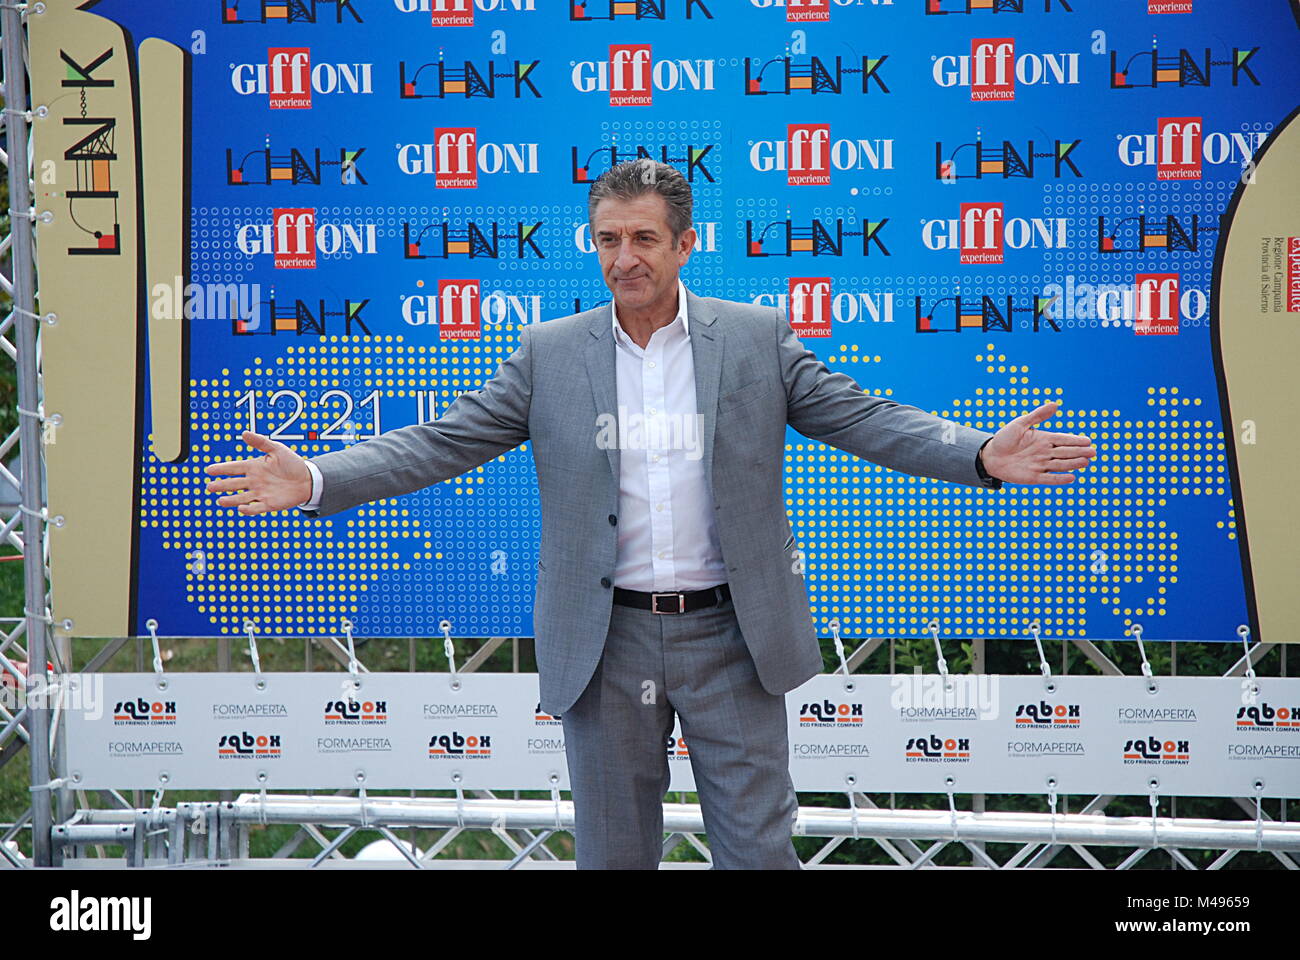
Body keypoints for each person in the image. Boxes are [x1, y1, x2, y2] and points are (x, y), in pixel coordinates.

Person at [205, 159, 1096, 869]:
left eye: (642, 238)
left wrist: (976, 452)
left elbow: (863, 417)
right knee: (615, 856)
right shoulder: (550, 355)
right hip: (605, 642)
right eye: (606, 240)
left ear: (683, 245)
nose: (622, 257)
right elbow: (444, 440)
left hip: (733, 638)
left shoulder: (754, 337)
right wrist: (320, 478)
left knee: (757, 854)